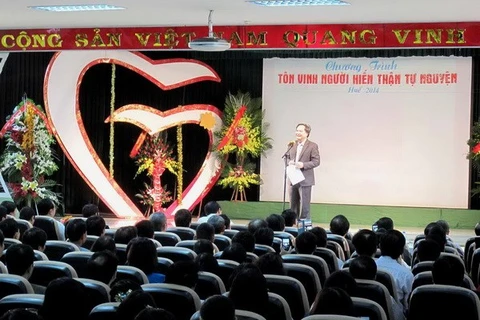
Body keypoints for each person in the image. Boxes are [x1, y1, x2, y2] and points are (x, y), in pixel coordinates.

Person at [287, 123, 320, 220]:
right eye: (297, 130)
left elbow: (316, 161)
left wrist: (303, 165)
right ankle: (292, 225)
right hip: (293, 178)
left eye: (300, 131)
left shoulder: (312, 146)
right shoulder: (292, 144)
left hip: (305, 179)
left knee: (304, 206)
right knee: (292, 205)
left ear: (307, 133)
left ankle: (304, 227)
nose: (297, 133)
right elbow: (286, 157)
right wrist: (289, 162)